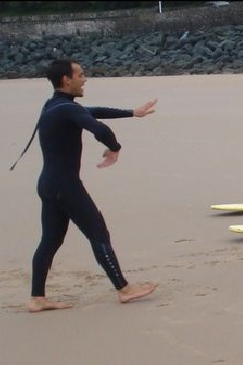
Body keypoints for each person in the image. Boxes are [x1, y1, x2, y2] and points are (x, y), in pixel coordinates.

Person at [26, 59, 158, 312]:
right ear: (66, 80)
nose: (85, 79)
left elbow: (91, 111)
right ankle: (124, 289)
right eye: (81, 75)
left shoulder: (55, 106)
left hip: (48, 184)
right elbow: (99, 128)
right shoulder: (67, 109)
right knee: (98, 233)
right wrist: (114, 148)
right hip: (66, 187)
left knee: (50, 240)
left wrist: (132, 112)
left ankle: (37, 298)